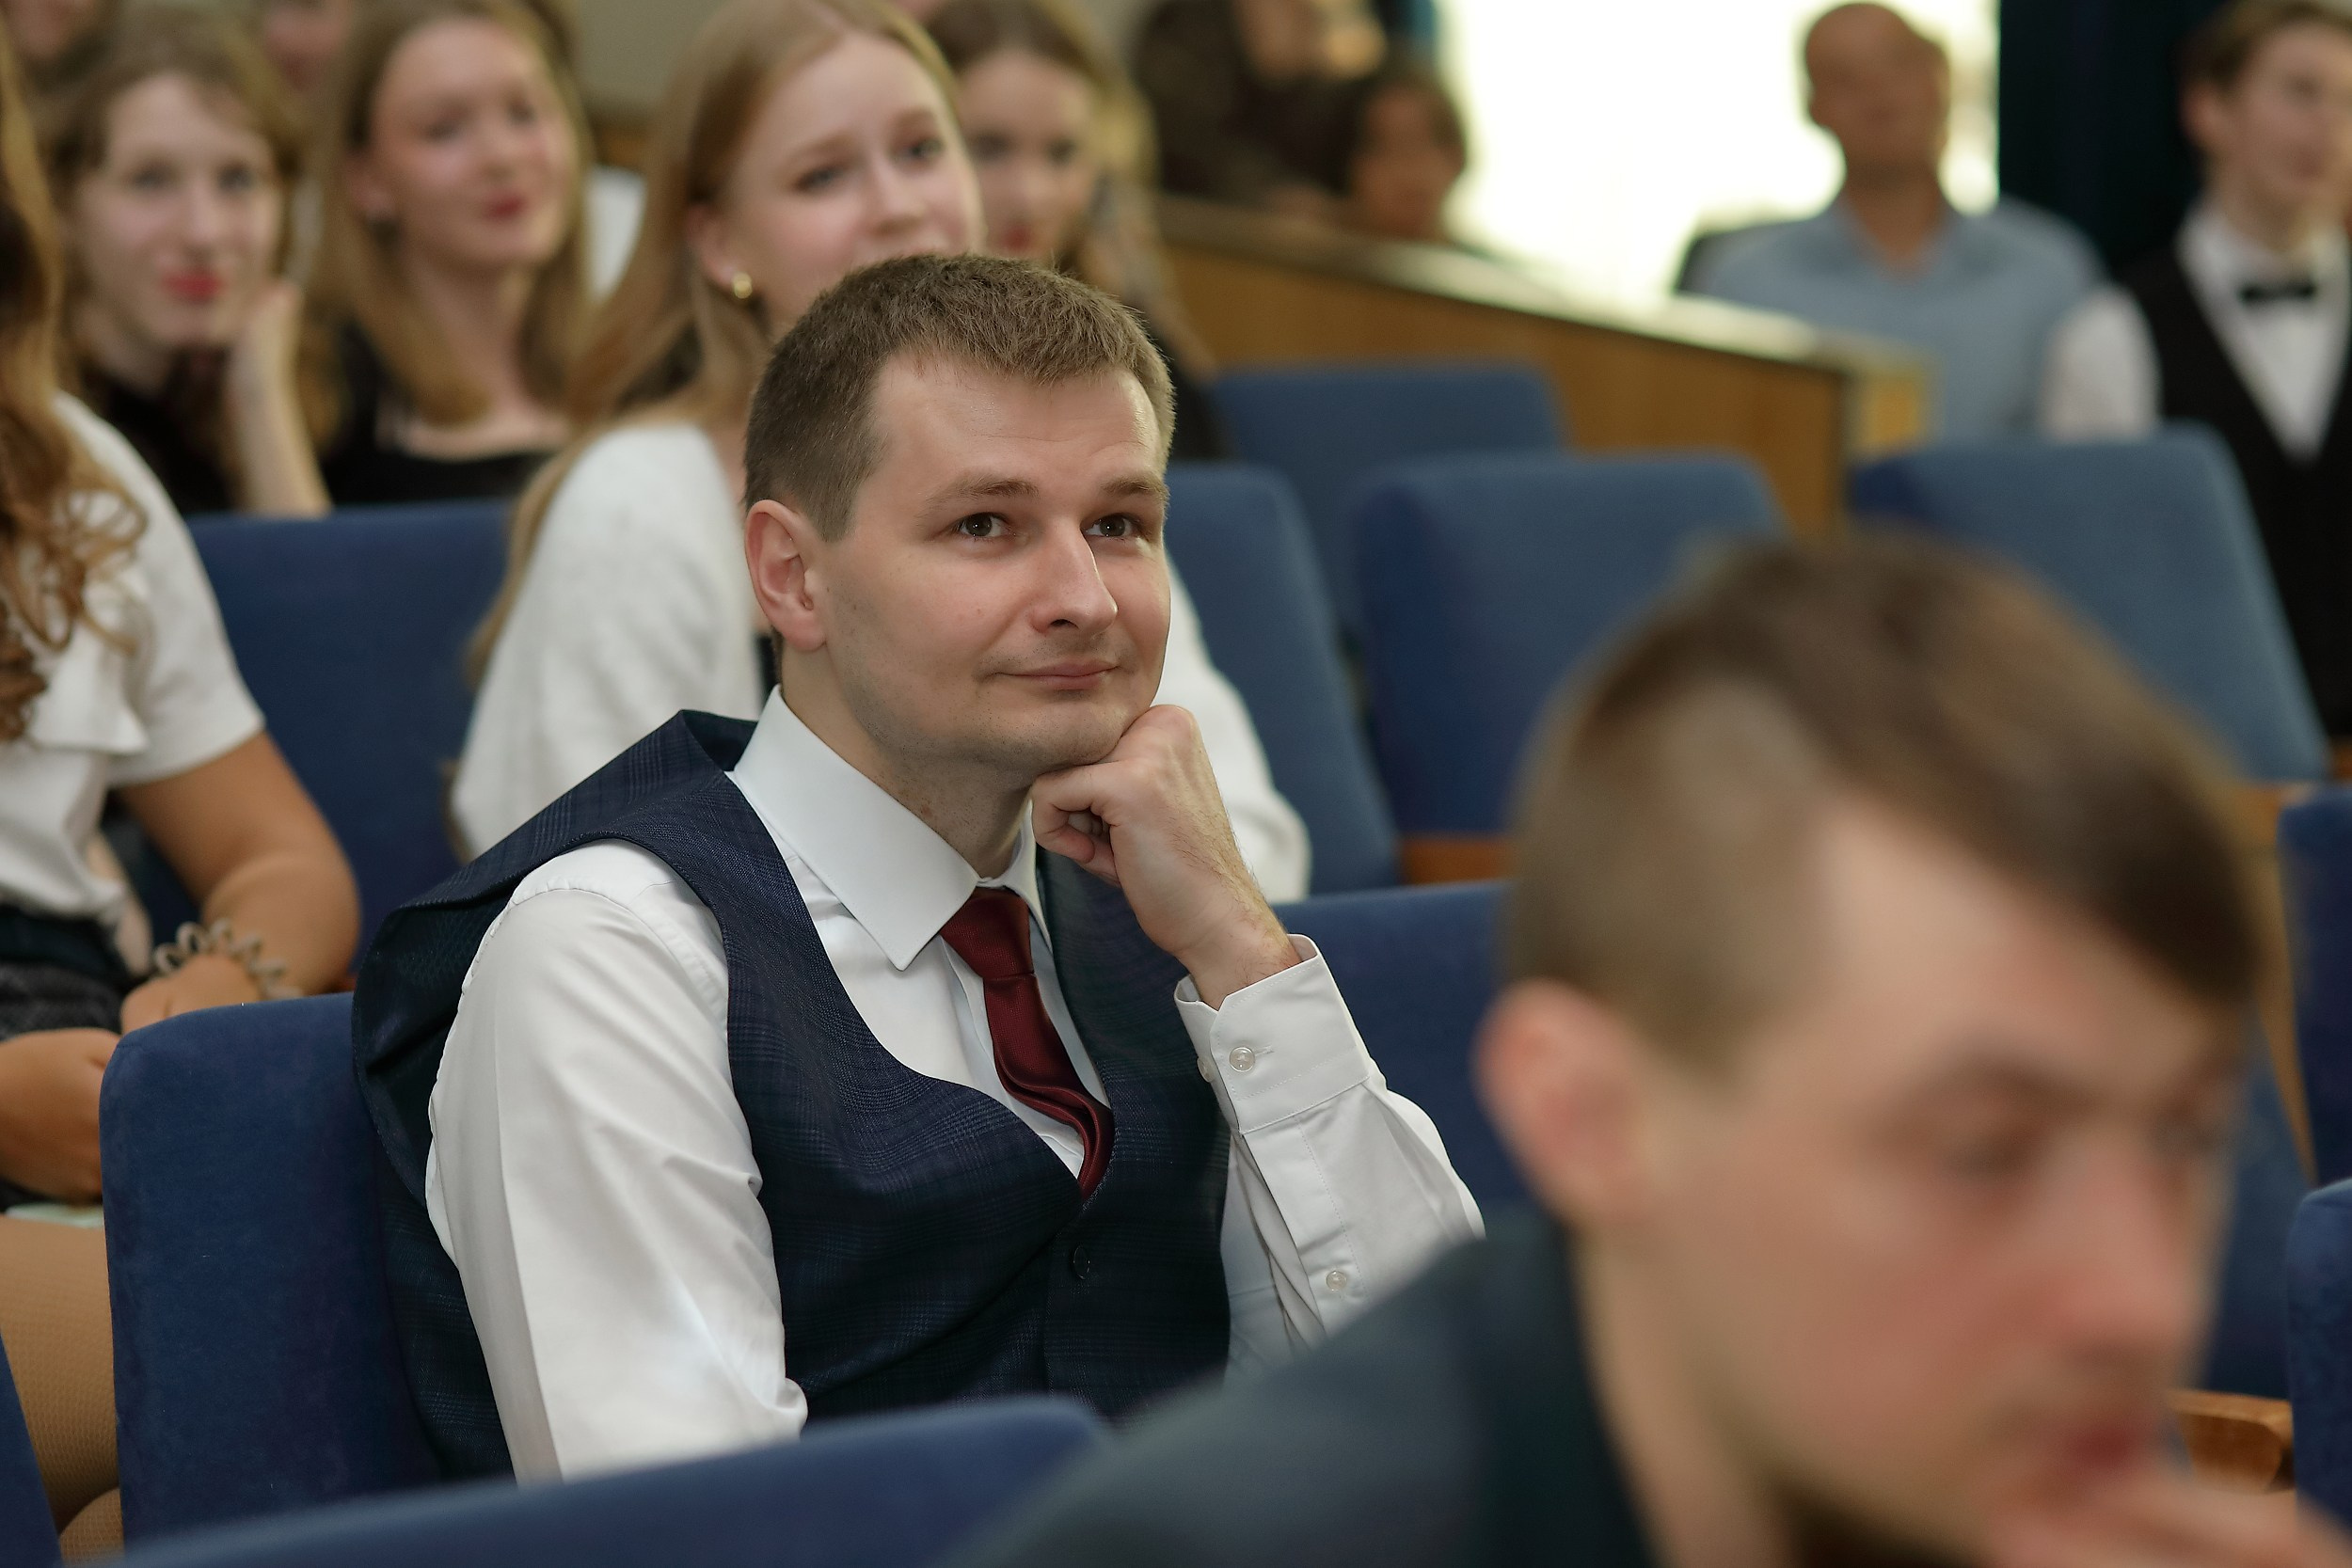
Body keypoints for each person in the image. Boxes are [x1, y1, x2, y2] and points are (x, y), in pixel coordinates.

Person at [948, 533, 2316, 1568]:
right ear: (1592, 1119)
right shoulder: (1230, 1543)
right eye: (1984, 1152)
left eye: (2185, 1136)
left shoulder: (2001, 1447)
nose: (2140, 1300)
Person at [357, 253, 1479, 1483]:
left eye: (1119, 524)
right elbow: (690, 1526)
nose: (1084, 597)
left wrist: (1244, 950)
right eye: (984, 525)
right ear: (793, 576)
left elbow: (1447, 1390)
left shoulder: (1156, 907)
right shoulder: (614, 956)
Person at [451, 0, 1309, 899]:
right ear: (718, 239)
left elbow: (1245, 848)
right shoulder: (636, 501)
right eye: (823, 176)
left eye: (923, 151)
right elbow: (583, 885)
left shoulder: (1069, 476)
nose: (899, 208)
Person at [0, 22, 356, 1546]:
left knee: (150, 1516)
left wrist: (205, 996)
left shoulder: (64, 471)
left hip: (83, 1031)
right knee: (293, 1358)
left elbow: (286, 858)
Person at [2042, 0, 2352, 738]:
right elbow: (2095, 599)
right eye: (2301, 92)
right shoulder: (2111, 336)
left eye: (2351, 102)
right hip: (2199, 758)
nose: (2329, 128)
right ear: (2210, 110)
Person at [1687, 3, 2099, 440]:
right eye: (1845, 79)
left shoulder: (2051, 272)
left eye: (1899, 65)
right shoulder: (1744, 283)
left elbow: (2089, 458)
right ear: (1812, 106)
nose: (1879, 95)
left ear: (1942, 76)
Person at [298, 0, 586, 505]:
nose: (501, 157)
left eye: (524, 113)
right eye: (444, 129)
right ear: (366, 179)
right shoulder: (320, 393)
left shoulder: (640, 371)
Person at [47, 8, 326, 518]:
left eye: (238, 179)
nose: (204, 232)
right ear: (62, 205)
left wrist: (263, 402)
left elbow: (317, 572)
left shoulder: (334, 392)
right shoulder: (27, 430)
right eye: (150, 180)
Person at [928, 0, 1230, 459]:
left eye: (1062, 154)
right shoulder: (869, 354)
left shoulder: (1131, 344)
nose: (1030, 196)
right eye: (989, 149)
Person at [1131, 0, 1379, 216]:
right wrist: (1268, 193)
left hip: (1315, 237)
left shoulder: (1337, 27)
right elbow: (1179, 141)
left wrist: (1310, 74)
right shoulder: (1187, 21)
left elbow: (1355, 146)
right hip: (1199, 226)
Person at [1337, 55, 1464, 246]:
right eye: (1384, 148)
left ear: (1456, 156)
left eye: (1420, 143)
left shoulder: (1485, 266)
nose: (1407, 165)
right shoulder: (1312, 259)